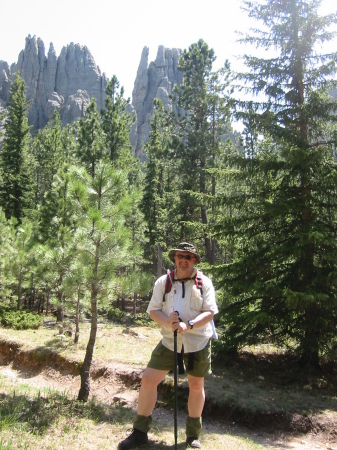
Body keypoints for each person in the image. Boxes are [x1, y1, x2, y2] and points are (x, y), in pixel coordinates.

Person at [118, 242, 218, 449]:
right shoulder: (164, 282)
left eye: (189, 257)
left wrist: (187, 325)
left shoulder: (204, 283)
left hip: (197, 342)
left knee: (196, 386)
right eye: (180, 255)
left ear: (195, 260)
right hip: (169, 342)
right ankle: (139, 432)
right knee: (148, 380)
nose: (184, 259)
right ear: (174, 258)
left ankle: (193, 436)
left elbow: (210, 312)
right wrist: (168, 322)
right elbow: (153, 310)